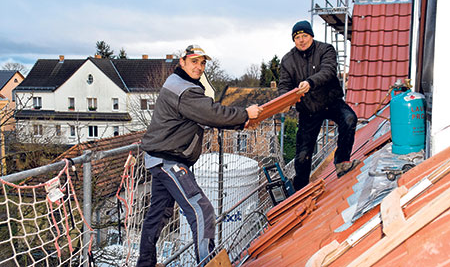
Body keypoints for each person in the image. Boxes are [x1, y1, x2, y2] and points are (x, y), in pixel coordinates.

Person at [137, 45, 262, 267]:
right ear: (182, 62)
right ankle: (209, 263)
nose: (199, 67)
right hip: (168, 160)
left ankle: (145, 263)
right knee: (202, 210)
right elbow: (212, 113)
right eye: (194, 61)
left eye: (203, 63)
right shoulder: (183, 89)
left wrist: (242, 123)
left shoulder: (185, 87)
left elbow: (206, 118)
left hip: (161, 158)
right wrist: (244, 114)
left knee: (158, 214)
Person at [278, 20, 359, 191]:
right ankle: (300, 190)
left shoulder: (326, 49)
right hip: (308, 110)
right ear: (294, 41)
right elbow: (284, 86)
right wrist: (284, 101)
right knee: (302, 155)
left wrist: (310, 82)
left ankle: (342, 162)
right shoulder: (287, 60)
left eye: (304, 36)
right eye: (297, 37)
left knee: (350, 119)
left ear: (311, 36)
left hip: (331, 101)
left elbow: (328, 71)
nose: (301, 40)